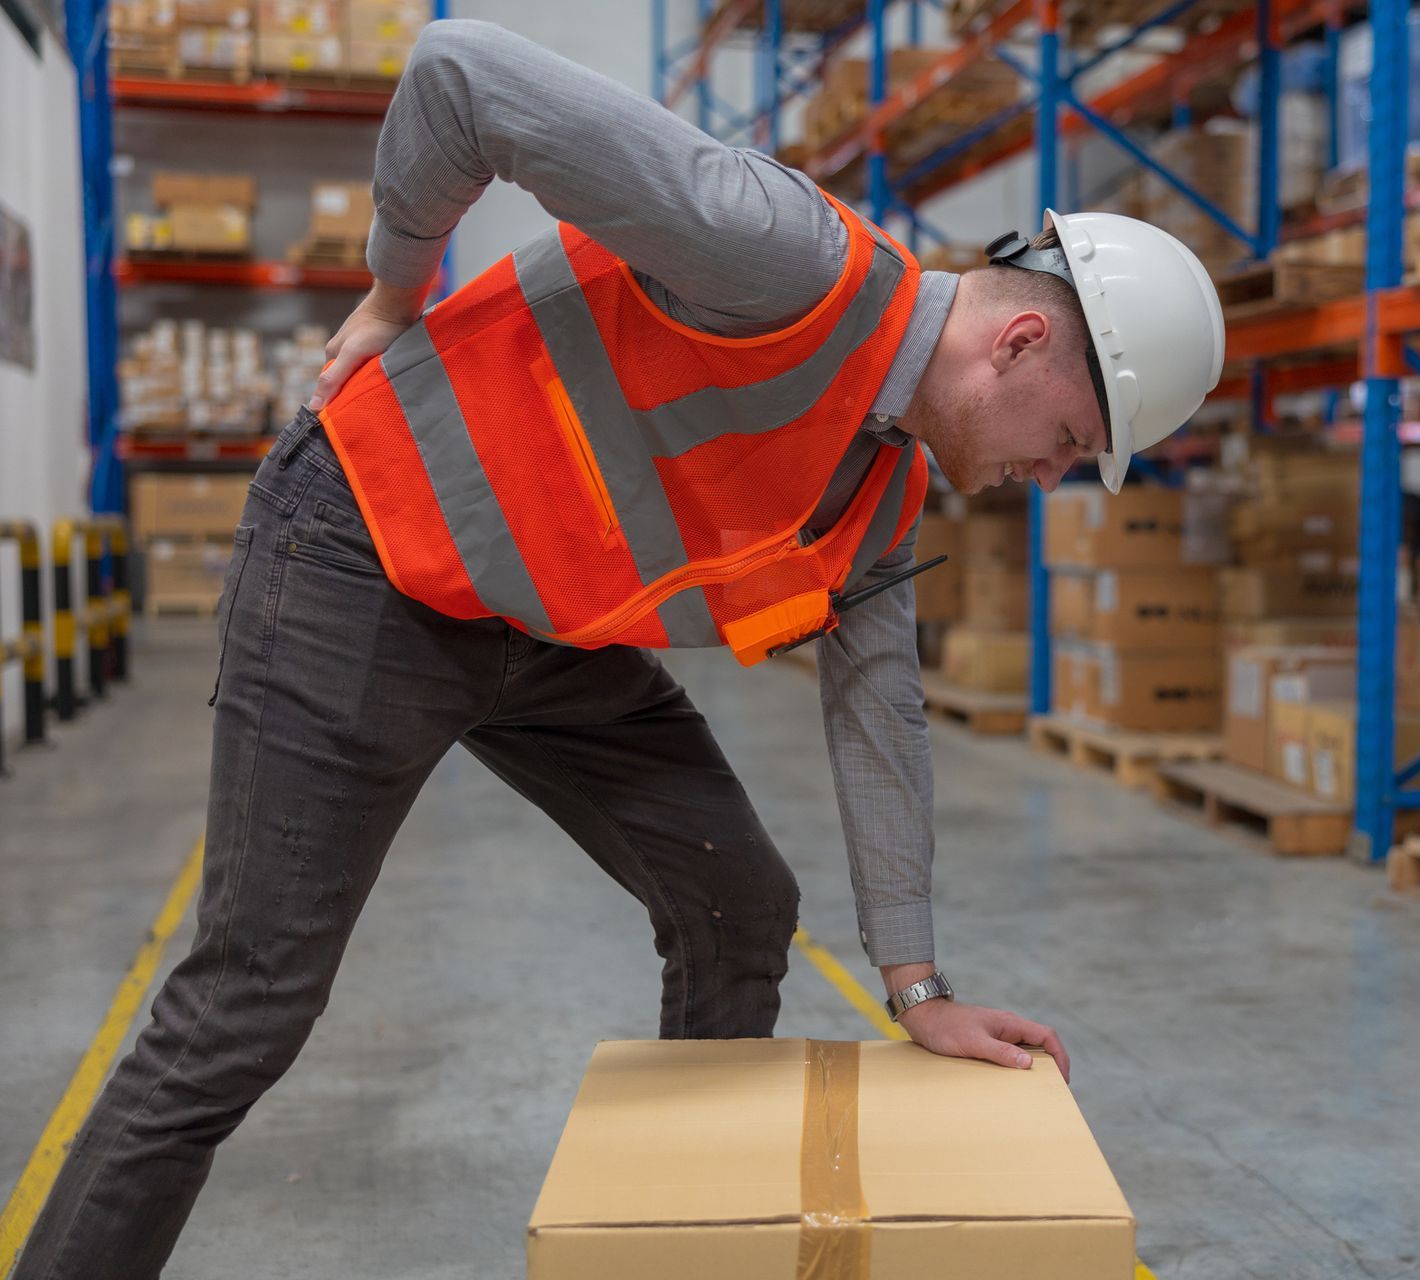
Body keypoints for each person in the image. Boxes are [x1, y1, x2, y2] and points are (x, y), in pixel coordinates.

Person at [15, 18, 1223, 1277]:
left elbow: (883, 716)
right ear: (1022, 343)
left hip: (529, 627)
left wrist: (918, 991)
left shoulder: (880, 492)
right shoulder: (784, 257)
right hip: (362, 553)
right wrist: (393, 291)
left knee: (736, 903)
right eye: (1074, 439)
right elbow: (459, 78)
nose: (1054, 476)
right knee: (241, 1010)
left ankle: (688, 1242)